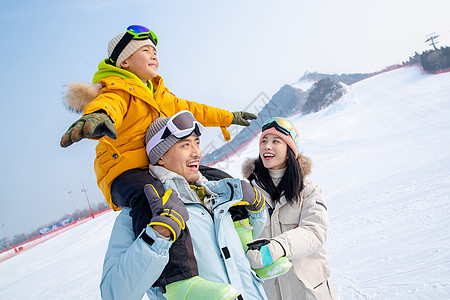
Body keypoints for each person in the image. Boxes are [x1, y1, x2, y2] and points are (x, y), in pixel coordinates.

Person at [59, 25, 256, 298]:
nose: (154, 56)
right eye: (145, 51)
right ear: (124, 61)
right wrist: (97, 118)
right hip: (125, 171)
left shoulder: (160, 93)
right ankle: (177, 281)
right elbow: (107, 106)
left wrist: (227, 117)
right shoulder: (116, 90)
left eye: (155, 51)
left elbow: (195, 109)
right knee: (156, 200)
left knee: (221, 180)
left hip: (158, 166)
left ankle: (250, 244)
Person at [100, 111, 268, 300]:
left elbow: (243, 243)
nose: (196, 152)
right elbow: (113, 293)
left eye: (196, 143)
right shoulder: (143, 211)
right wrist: (157, 234)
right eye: (185, 145)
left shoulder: (215, 194)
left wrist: (256, 208)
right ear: (160, 157)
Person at [242, 117, 336, 300]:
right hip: (269, 292)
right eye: (263, 141)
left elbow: (315, 231)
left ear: (290, 150)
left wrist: (276, 247)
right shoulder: (247, 195)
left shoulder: (308, 191)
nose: (267, 147)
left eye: (275, 141)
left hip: (309, 291)